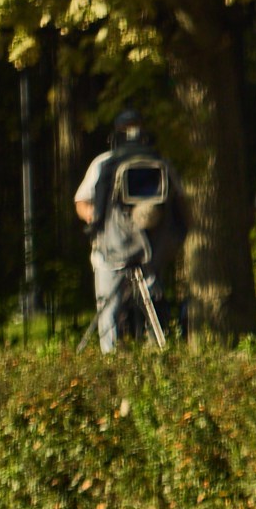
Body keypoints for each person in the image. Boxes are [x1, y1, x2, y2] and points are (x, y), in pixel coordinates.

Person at [73, 108, 184, 350]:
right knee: (109, 311)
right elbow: (82, 201)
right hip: (114, 253)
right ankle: (112, 356)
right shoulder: (104, 163)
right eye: (127, 127)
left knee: (151, 307)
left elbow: (175, 201)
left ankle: (154, 352)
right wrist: (97, 218)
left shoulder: (159, 164)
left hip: (146, 252)